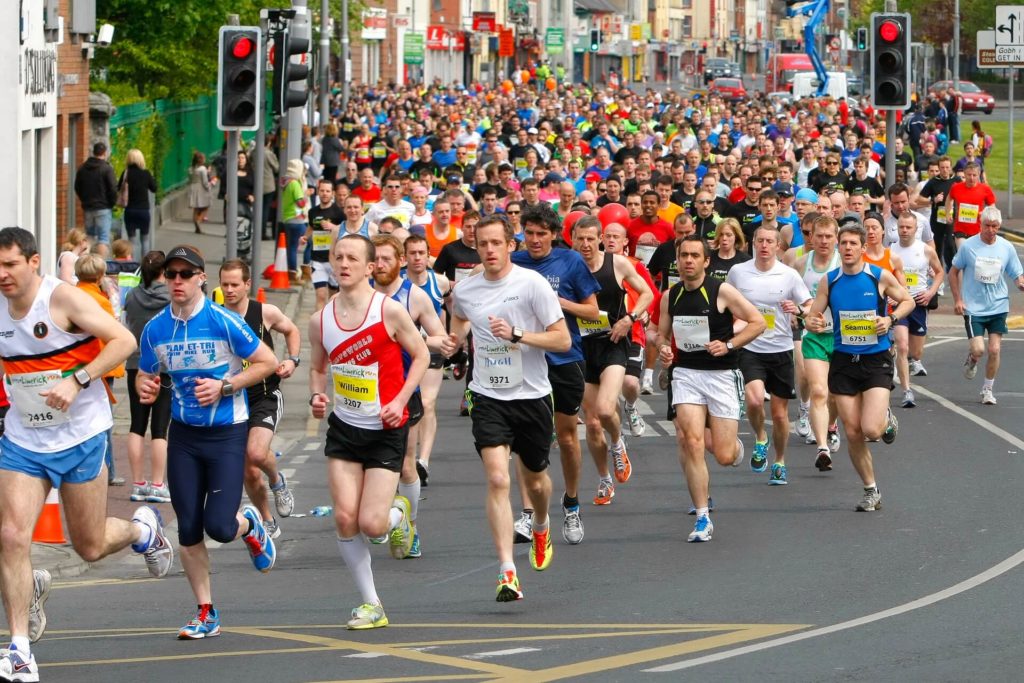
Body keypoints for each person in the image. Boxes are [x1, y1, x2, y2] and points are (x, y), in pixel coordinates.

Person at [0, 227, 172, 680]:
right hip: (23, 442)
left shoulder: (62, 300)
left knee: (89, 545)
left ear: (34, 262)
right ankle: (18, 650)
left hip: (80, 437)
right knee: (12, 536)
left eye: (10, 265)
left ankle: (142, 531)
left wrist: (76, 380)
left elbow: (123, 342)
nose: (3, 275)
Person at [136, 245, 279, 639]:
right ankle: (205, 610)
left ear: (202, 278)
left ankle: (248, 523)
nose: (177, 281)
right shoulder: (155, 329)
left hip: (227, 433)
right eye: (171, 274)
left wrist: (226, 385)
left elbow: (266, 361)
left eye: (186, 273)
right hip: (183, 435)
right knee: (187, 528)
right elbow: (145, 374)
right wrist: (145, 387)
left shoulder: (223, 321)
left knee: (218, 525)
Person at [441, 214, 571, 601]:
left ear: (509, 245)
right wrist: (454, 340)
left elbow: (562, 340)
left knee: (535, 481)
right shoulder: (467, 290)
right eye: (483, 244)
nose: (490, 250)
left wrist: (517, 334)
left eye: (496, 243)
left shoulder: (531, 285)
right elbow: (461, 319)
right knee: (498, 479)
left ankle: (543, 522)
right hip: (487, 395)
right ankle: (507, 571)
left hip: (531, 395)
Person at [308, 234, 428, 627]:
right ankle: (371, 603)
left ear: (370, 266)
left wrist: (400, 401)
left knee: (372, 525)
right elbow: (318, 368)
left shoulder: (389, 311)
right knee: (345, 518)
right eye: (337, 257)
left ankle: (400, 514)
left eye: (352, 258)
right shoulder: (320, 319)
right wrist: (316, 396)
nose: (343, 264)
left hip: (385, 428)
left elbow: (423, 354)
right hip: (345, 428)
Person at [656, 235, 765, 542]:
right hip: (687, 373)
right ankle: (702, 516)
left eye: (694, 256)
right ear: (677, 260)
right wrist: (664, 348)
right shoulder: (670, 296)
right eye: (683, 256)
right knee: (690, 440)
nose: (688, 261)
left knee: (724, 455)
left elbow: (757, 322)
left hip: (721, 374)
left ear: (706, 261)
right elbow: (660, 335)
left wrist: (728, 344)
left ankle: (735, 449)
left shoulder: (722, 291)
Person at [509, 204, 600, 546]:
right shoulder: (514, 262)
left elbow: (592, 311)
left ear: (553, 235)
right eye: (528, 233)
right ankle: (528, 512)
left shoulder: (571, 261)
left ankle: (572, 502)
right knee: (526, 438)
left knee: (564, 438)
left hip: (565, 359)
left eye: (541, 234)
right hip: (526, 359)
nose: (534, 240)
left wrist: (556, 301)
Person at [805, 223, 913, 511]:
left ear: (863, 248)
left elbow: (908, 301)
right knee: (852, 431)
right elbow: (813, 315)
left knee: (872, 430)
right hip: (843, 361)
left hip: (875, 360)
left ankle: (886, 419)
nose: (848, 248)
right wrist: (811, 321)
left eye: (854, 243)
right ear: (839, 248)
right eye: (845, 244)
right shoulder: (830, 280)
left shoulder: (878, 276)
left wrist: (890, 320)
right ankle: (870, 489)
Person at [370, 234, 447, 558]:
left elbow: (440, 338)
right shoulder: (362, 296)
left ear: (400, 261)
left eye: (387, 259)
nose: (380, 265)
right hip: (364, 392)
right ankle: (380, 516)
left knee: (404, 465)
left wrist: (409, 337)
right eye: (376, 259)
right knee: (368, 465)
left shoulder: (414, 297)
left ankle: (409, 524)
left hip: (403, 389)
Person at [573, 216, 653, 504]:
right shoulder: (569, 267)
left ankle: (618, 443)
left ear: (600, 239)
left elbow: (646, 293)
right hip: (582, 348)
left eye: (590, 238)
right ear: (572, 240)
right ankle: (605, 479)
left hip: (614, 343)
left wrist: (629, 319)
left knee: (607, 410)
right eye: (579, 238)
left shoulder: (616, 263)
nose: (585, 244)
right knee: (593, 424)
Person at [219, 260, 301, 540]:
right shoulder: (215, 316)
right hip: (232, 402)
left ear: (247, 284)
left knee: (255, 453)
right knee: (249, 472)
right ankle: (267, 520)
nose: (229, 290)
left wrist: (292, 360)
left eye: (234, 285)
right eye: (224, 284)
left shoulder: (264, 312)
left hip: (264, 396)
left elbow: (291, 330)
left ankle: (278, 481)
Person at [726, 226, 813, 486]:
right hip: (751, 347)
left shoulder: (788, 275)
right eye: (760, 241)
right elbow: (725, 300)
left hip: (781, 348)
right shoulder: (738, 272)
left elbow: (809, 306)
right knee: (753, 401)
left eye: (769, 241)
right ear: (753, 243)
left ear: (778, 246)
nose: (764, 245)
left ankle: (780, 461)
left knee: (778, 414)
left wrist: (797, 308)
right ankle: (761, 438)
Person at [948, 206, 1024, 405]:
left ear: (999, 226)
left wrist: (1020, 283)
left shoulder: (1006, 247)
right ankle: (973, 358)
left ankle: (987, 390)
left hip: (998, 305)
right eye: (987, 226)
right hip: (973, 307)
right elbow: (953, 272)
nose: (991, 230)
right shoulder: (968, 246)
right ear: (980, 224)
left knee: (995, 350)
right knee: (979, 350)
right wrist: (958, 299)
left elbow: (1016, 273)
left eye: (995, 226)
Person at [792, 215, 843, 471]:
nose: (823, 241)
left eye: (828, 236)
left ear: (836, 238)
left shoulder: (843, 264)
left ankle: (832, 425)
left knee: (834, 394)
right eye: (818, 236)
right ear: (811, 237)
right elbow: (793, 296)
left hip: (841, 336)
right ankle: (822, 448)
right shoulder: (802, 263)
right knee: (819, 391)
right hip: (813, 336)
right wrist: (799, 314)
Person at [74, 254, 127, 486]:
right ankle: (108, 470)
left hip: (75, 365)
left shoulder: (72, 295)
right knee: (103, 421)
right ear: (99, 275)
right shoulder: (100, 301)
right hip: (99, 367)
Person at [124, 251, 172, 504]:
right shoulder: (170, 298)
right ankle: (157, 484)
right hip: (163, 366)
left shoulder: (132, 296)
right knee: (160, 428)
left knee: (136, 424)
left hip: (135, 363)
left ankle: (137, 483)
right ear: (163, 273)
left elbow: (127, 322)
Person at [402, 235, 450, 485]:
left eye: (422, 253)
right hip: (404, 353)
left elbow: (450, 305)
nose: (418, 258)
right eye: (413, 253)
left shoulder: (439, 282)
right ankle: (407, 457)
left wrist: (453, 341)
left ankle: (423, 461)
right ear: (405, 256)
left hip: (431, 348)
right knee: (410, 407)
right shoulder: (397, 283)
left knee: (428, 402)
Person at [890, 211, 944, 408]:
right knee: (902, 345)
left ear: (915, 229)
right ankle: (907, 391)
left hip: (919, 305)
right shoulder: (891, 251)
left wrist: (930, 292)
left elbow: (939, 272)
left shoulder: (925, 250)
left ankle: (903, 359)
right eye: (901, 227)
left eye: (908, 227)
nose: (904, 231)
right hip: (899, 304)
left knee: (916, 352)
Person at [306, 178, 345, 311]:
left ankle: (331, 324)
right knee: (320, 295)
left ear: (332, 193)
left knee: (333, 297)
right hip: (317, 259)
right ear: (318, 192)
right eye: (322, 190)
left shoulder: (339, 213)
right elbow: (311, 228)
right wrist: (305, 237)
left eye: (327, 191)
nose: (324, 193)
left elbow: (346, 231)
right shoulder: (313, 212)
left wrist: (333, 227)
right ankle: (320, 326)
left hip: (334, 260)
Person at [74, 142, 117, 255]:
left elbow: (77, 187)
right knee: (103, 238)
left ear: (93, 152)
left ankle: (85, 264)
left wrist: (84, 200)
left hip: (88, 207)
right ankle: (101, 267)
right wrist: (111, 204)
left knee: (89, 236)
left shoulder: (83, 168)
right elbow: (113, 188)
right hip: (103, 208)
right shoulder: (106, 168)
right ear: (105, 153)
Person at [945, 162, 997, 252]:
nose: (971, 178)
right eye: (969, 175)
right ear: (964, 174)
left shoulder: (985, 189)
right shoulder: (956, 187)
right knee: (964, 253)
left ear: (979, 175)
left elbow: (992, 206)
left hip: (978, 230)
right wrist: (947, 213)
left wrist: (984, 213)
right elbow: (949, 199)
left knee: (976, 258)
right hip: (960, 229)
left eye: (974, 175)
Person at [119, 148, 158, 257]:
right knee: (145, 239)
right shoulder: (146, 173)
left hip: (130, 210)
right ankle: (145, 266)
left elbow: (118, 188)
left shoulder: (126, 173)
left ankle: (132, 265)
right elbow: (154, 188)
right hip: (143, 211)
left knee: (132, 240)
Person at [281, 159, 311, 283]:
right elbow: (300, 203)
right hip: (297, 219)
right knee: (310, 241)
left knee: (292, 247)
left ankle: (292, 273)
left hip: (288, 218)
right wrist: (307, 194)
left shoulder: (286, 182)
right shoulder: (295, 184)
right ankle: (305, 270)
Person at [188, 152, 214, 235]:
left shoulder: (191, 169)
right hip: (201, 189)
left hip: (193, 187)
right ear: (201, 160)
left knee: (195, 208)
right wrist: (209, 186)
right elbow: (205, 182)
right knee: (206, 206)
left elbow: (189, 180)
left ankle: (196, 224)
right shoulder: (203, 169)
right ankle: (199, 221)